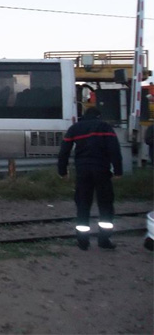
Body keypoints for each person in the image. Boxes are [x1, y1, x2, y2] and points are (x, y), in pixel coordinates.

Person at [57, 107, 123, 250]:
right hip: (102, 171)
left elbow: (64, 151)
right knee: (105, 205)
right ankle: (104, 240)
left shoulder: (75, 128)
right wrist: (118, 171)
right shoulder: (105, 127)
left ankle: (83, 242)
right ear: (98, 116)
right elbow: (114, 150)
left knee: (82, 205)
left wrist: (62, 171)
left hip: (83, 172)